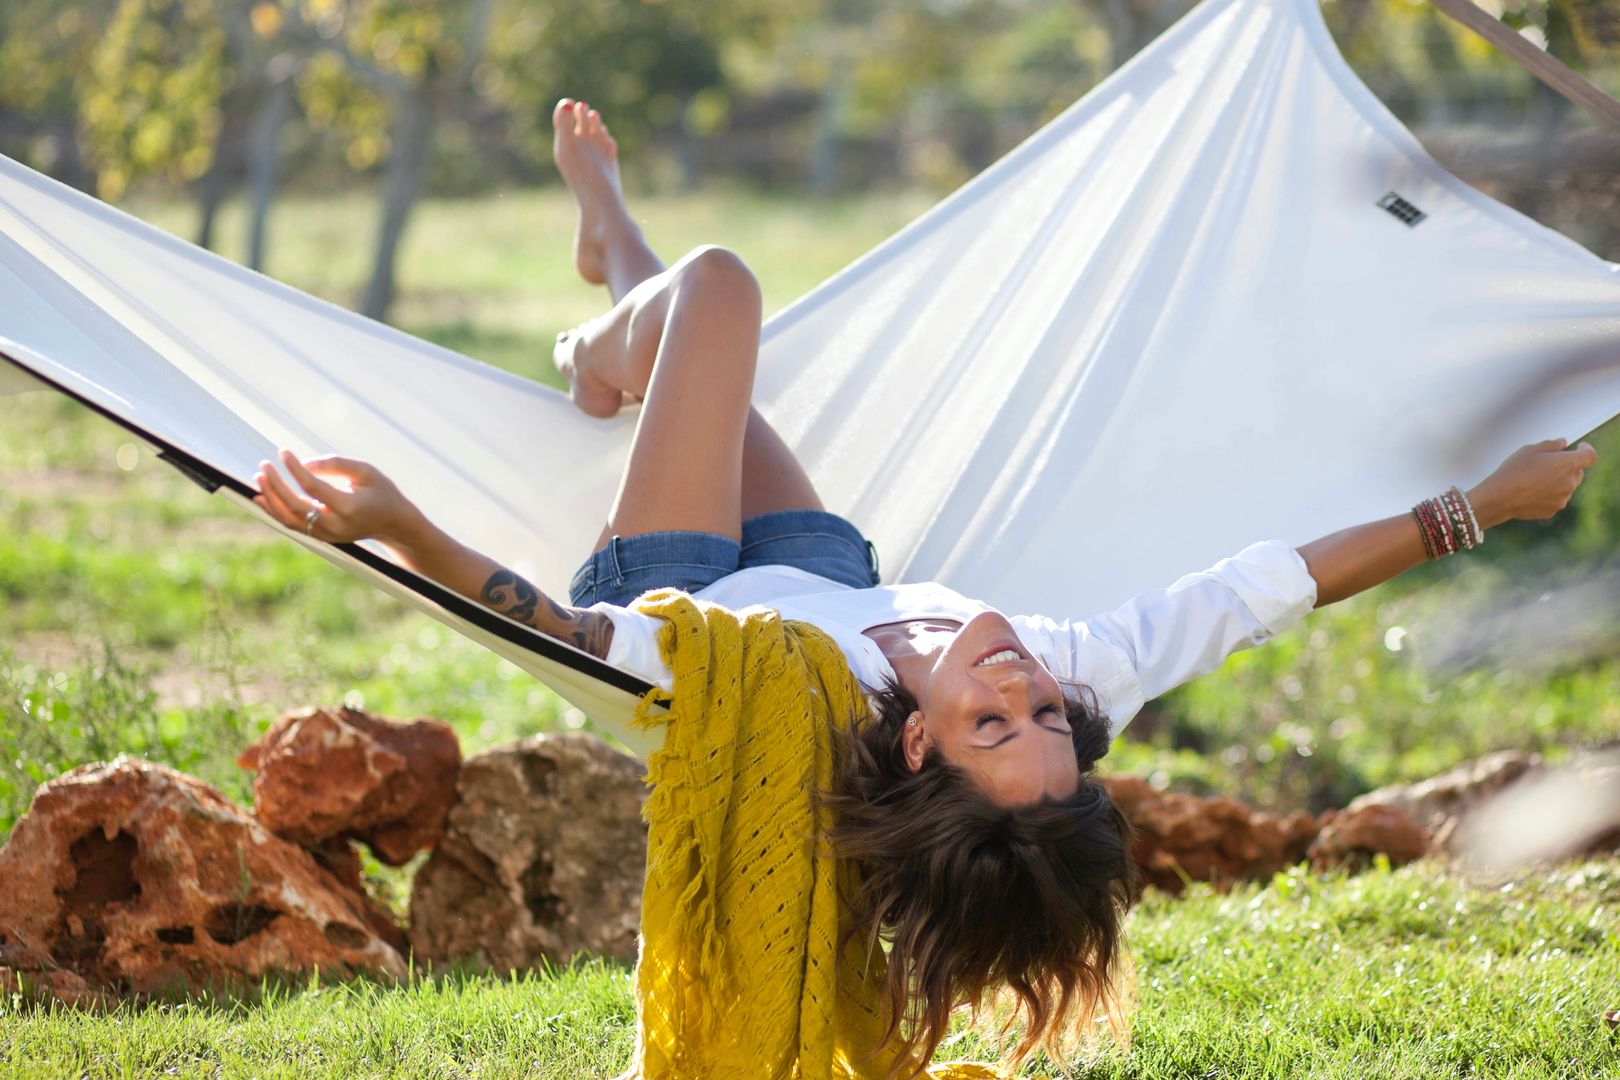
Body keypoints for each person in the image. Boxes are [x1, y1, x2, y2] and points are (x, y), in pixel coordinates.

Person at [252, 98, 1599, 1074]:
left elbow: (569, 631)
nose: (1023, 692)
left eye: (990, 726)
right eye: (1049, 728)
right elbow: (1266, 587)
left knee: (719, 291)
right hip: (816, 556)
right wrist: (1478, 508)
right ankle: (614, 265)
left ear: (914, 741)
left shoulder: (791, 706)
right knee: (695, 318)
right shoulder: (1075, 670)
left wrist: (403, 525)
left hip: (666, 580)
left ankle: (600, 313)